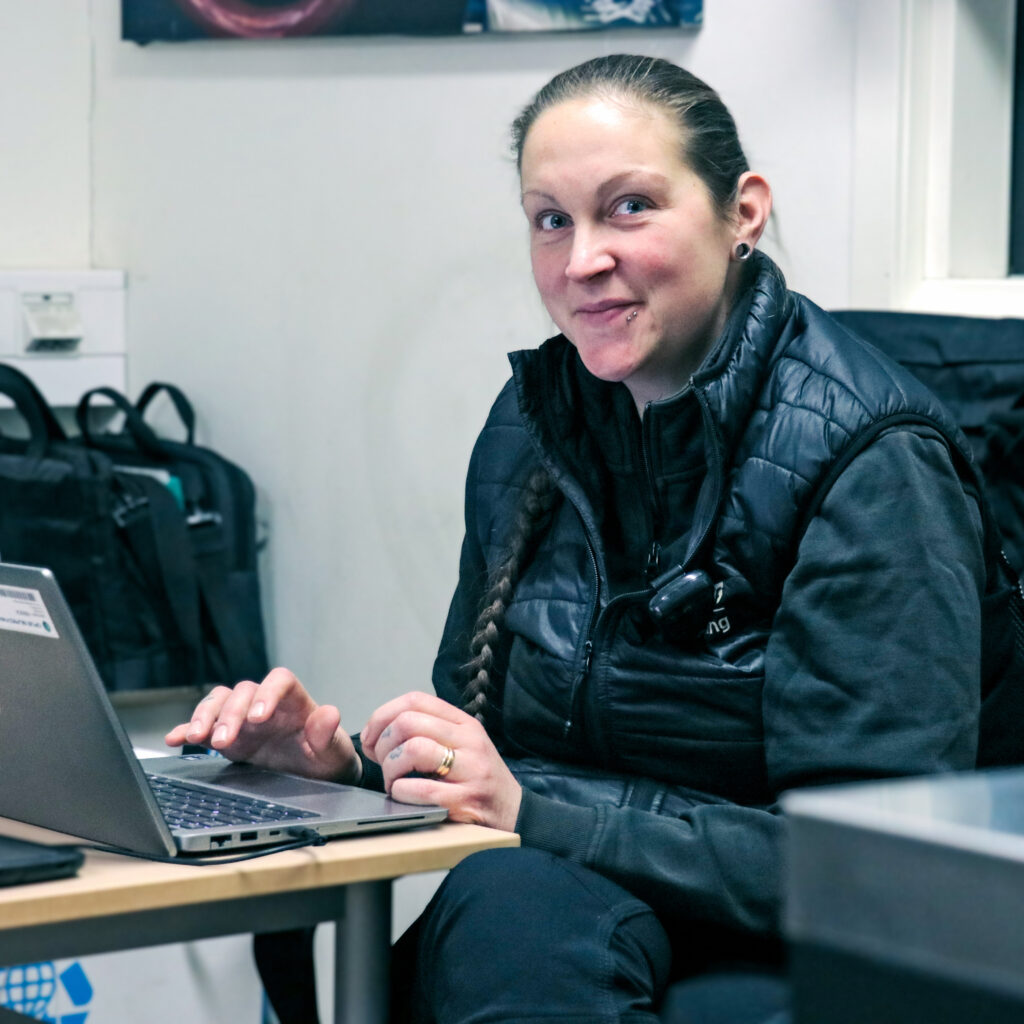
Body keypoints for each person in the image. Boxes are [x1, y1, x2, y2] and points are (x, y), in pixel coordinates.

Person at [168, 55, 992, 1023]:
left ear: (744, 211)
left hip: (785, 933)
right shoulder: (533, 422)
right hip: (570, 897)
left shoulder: (871, 458)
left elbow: (871, 863)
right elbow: (503, 752)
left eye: (629, 207)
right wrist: (342, 766)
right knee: (474, 923)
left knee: (502, 910)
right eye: (550, 218)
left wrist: (535, 814)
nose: (579, 259)